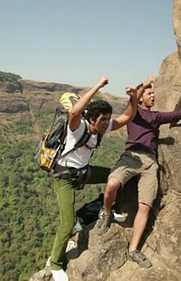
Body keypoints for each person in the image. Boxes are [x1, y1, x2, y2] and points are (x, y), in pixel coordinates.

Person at [97, 76, 181, 269]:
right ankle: (106, 213)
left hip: (150, 163)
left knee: (145, 206)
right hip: (131, 156)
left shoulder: (156, 117)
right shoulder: (135, 113)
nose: (153, 95)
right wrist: (144, 84)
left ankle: (133, 250)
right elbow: (133, 100)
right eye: (149, 93)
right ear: (142, 97)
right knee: (112, 183)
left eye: (153, 93)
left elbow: (180, 113)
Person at [48, 76, 138, 281]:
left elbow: (128, 117)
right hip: (66, 178)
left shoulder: (102, 129)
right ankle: (55, 263)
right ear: (92, 119)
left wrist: (133, 97)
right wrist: (97, 86)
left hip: (84, 172)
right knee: (67, 223)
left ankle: (102, 207)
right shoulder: (78, 128)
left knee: (117, 177)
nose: (107, 123)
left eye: (108, 118)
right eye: (103, 119)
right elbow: (74, 112)